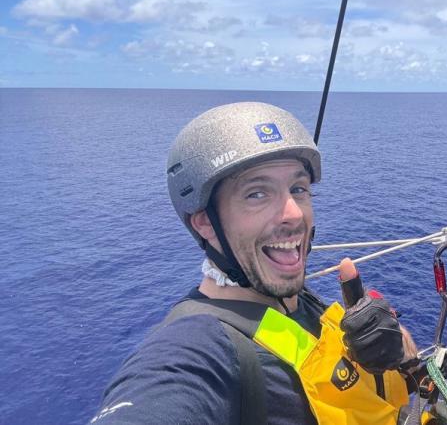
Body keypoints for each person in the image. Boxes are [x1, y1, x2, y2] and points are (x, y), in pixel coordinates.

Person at [91, 102, 416, 425]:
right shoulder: (198, 349)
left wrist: (393, 351)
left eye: (298, 188)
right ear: (205, 222)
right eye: (256, 194)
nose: (293, 213)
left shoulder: (300, 302)